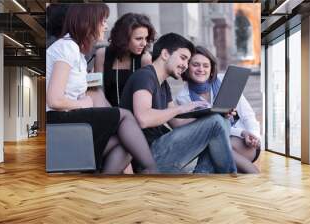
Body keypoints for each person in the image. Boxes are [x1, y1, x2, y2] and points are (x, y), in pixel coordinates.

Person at [46, 4, 157, 174]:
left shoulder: (76, 52)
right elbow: (54, 100)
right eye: (103, 21)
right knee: (126, 117)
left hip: (70, 118)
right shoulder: (67, 47)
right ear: (88, 22)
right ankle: (152, 170)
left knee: (127, 141)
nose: (106, 26)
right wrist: (84, 103)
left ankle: (104, 187)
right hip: (60, 119)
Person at [120, 33, 237, 174]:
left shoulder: (163, 84)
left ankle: (202, 175)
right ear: (165, 54)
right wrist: (181, 109)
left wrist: (209, 113)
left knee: (220, 120)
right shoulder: (144, 76)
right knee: (216, 123)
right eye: (183, 58)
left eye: (187, 61)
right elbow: (143, 119)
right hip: (148, 156)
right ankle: (230, 177)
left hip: (161, 147)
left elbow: (176, 123)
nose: (185, 66)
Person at [175, 46, 261, 173]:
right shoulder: (183, 98)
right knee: (215, 145)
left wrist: (254, 136)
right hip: (222, 141)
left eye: (205, 65)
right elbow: (207, 128)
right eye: (196, 65)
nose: (201, 69)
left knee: (217, 147)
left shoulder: (223, 80)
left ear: (211, 69)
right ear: (187, 67)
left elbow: (247, 114)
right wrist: (241, 132)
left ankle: (202, 172)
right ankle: (253, 175)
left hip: (244, 143)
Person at [94, 13, 155, 106]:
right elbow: (98, 91)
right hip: (107, 112)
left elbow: (150, 98)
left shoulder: (145, 59)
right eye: (139, 39)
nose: (144, 43)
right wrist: (112, 114)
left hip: (136, 116)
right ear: (123, 38)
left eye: (146, 38)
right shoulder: (102, 54)